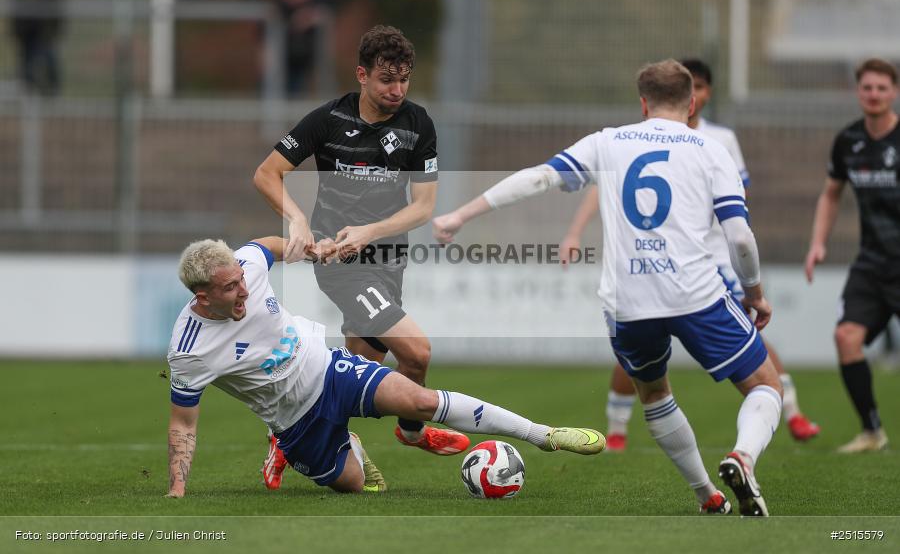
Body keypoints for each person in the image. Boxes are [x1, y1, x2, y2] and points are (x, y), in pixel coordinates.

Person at [433, 60, 784, 516]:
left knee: (654, 395)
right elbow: (739, 237)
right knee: (765, 385)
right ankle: (743, 457)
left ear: (643, 104)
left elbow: (539, 177)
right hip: (695, 294)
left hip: (628, 302)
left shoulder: (608, 141)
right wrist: (754, 294)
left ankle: (707, 496)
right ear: (692, 103)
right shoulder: (711, 149)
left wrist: (461, 215)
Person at [165, 237, 606, 497]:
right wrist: (177, 490)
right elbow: (183, 423)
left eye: (242, 280)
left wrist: (313, 250)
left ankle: (544, 435)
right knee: (357, 486)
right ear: (203, 296)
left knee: (420, 400)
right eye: (231, 288)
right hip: (295, 421)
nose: (244, 289)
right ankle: (302, 446)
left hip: (328, 370)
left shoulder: (244, 266)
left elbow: (268, 245)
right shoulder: (190, 350)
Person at [558, 58, 819, 451]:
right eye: (687, 84)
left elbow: (738, 197)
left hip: (714, 259)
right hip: (662, 259)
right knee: (638, 346)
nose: (692, 92)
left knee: (751, 336)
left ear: (704, 95)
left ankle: (793, 412)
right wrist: (575, 231)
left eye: (698, 85)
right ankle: (617, 430)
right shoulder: (635, 139)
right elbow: (604, 185)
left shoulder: (720, 140)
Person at [254, 25, 468, 490]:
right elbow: (267, 174)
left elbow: (423, 207)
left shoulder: (417, 124)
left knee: (352, 376)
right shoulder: (328, 120)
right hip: (340, 263)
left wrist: (370, 233)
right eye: (387, 80)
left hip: (389, 261)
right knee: (417, 352)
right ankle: (412, 431)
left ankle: (286, 434)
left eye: (404, 80)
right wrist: (298, 221)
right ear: (362, 75)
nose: (397, 90)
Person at [804, 57, 899, 453]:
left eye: (882, 88)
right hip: (872, 264)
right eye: (867, 87)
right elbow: (831, 194)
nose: (874, 94)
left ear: (894, 92)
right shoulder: (848, 141)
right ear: (857, 92)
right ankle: (871, 431)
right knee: (846, 337)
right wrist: (817, 243)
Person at [10, 0, 64, 95]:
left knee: (47, 59)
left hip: (46, 28)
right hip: (26, 28)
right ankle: (28, 95)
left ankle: (51, 93)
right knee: (27, 66)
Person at [275, 0, 322, 97]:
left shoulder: (313, 8)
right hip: (282, 61)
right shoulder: (279, 9)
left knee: (299, 93)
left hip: (303, 62)